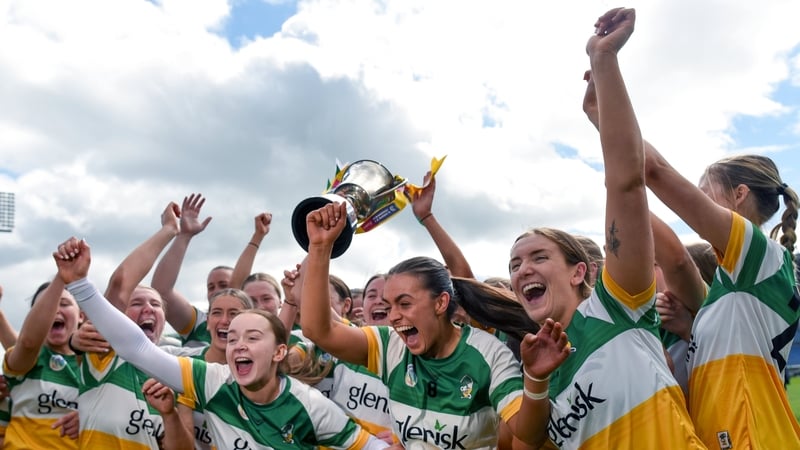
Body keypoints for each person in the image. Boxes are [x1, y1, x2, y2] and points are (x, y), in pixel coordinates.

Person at [510, 8, 704, 448]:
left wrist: (604, 61)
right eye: (515, 264)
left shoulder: (617, 305)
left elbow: (627, 182)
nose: (522, 270)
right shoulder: (537, 359)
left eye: (539, 257)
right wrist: (535, 382)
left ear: (579, 271)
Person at [54, 237, 391, 450]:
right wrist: (80, 285)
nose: (238, 345)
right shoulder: (213, 381)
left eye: (252, 337)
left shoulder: (311, 405)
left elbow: (370, 446)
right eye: (232, 338)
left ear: (279, 351)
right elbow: (138, 348)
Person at [301, 201, 542, 448]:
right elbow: (317, 330)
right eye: (389, 306)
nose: (393, 316)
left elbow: (529, 434)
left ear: (441, 303)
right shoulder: (390, 346)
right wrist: (320, 246)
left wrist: (536, 378)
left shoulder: (488, 354)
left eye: (405, 304)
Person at [641, 98, 800, 447]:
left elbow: (654, 170)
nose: (697, 201)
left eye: (704, 192)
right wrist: (690, 329)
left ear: (739, 194)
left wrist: (605, 121)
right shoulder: (738, 281)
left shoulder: (757, 252)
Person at [2, 280, 81, 449]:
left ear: (81, 315)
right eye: (45, 306)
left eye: (64, 304)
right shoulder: (27, 360)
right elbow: (27, 344)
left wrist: (90, 417)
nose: (54, 310)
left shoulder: (96, 366)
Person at [151, 193, 233, 348]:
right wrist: (184, 236)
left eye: (224, 285)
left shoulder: (257, 325)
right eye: (211, 287)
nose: (216, 291)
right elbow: (161, 291)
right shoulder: (199, 324)